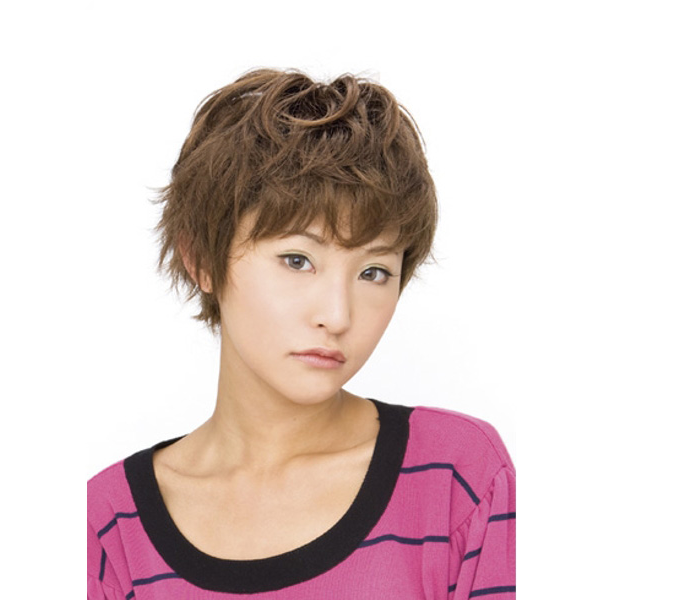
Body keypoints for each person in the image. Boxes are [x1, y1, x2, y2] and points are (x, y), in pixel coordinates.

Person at [87, 68, 515, 599]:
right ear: (201, 259)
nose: (337, 315)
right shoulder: (107, 529)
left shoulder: (459, 478)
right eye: (297, 260)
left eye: (373, 272)